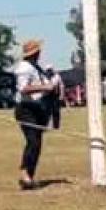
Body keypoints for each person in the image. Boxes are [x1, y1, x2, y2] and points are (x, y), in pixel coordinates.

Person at [13, 40, 55, 190]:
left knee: (37, 143)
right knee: (33, 142)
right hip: (26, 109)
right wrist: (45, 87)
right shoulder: (24, 68)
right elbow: (24, 89)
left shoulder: (34, 67)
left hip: (36, 108)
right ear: (34, 53)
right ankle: (25, 174)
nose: (40, 53)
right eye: (38, 51)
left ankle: (29, 177)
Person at [43, 63, 64, 129]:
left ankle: (56, 126)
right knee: (46, 111)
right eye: (48, 70)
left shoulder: (57, 76)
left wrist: (61, 95)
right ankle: (45, 126)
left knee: (56, 111)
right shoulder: (43, 77)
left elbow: (61, 86)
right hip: (46, 96)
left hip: (55, 96)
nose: (49, 71)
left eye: (50, 70)